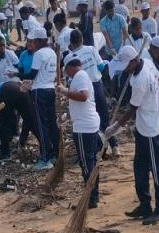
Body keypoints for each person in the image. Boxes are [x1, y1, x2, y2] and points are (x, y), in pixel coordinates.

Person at [105, 46, 159, 225]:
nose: (125, 68)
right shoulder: (147, 62)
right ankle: (145, 204)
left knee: (156, 170)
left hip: (151, 128)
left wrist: (115, 126)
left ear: (134, 61)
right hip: (143, 126)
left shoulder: (141, 80)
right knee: (139, 166)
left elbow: (132, 109)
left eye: (127, 65)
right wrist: (158, 94)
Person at [68, 29, 118, 157]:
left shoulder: (69, 57)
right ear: (82, 40)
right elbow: (101, 67)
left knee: (90, 121)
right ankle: (114, 146)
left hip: (83, 90)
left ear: (71, 43)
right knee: (104, 119)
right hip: (97, 86)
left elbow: (70, 79)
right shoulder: (91, 49)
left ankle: (98, 150)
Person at [60, 56, 101, 208]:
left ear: (72, 67)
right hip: (84, 123)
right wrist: (66, 116)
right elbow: (79, 103)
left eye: (66, 69)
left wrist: (64, 92)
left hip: (85, 127)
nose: (66, 73)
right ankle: (93, 194)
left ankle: (90, 197)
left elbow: (83, 97)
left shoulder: (80, 76)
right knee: (90, 161)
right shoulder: (78, 77)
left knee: (86, 162)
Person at [20, 27, 58, 170]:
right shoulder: (52, 53)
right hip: (50, 89)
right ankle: (54, 153)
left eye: (33, 41)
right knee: (52, 123)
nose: (32, 44)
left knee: (41, 125)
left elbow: (32, 75)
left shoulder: (39, 54)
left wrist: (16, 74)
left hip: (40, 91)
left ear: (39, 41)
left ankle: (45, 158)